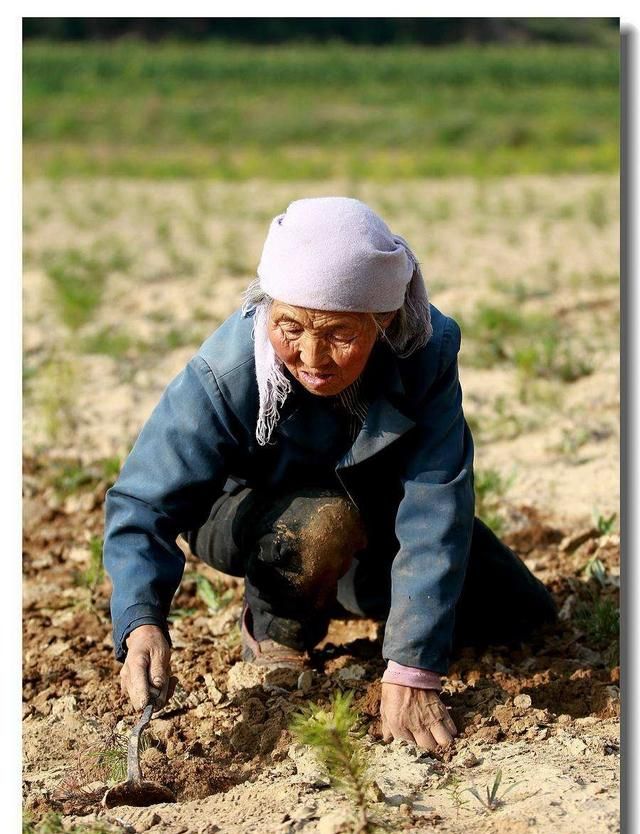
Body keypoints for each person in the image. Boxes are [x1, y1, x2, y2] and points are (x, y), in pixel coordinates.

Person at [104, 197, 556, 752]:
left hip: (370, 506)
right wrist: (141, 618)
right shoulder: (227, 370)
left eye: (340, 335)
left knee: (519, 611)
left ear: (384, 321)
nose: (311, 356)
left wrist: (413, 666)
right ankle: (276, 624)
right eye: (289, 327)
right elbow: (143, 501)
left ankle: (345, 587)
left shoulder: (425, 350)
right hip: (245, 513)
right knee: (322, 522)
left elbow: (436, 499)